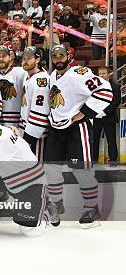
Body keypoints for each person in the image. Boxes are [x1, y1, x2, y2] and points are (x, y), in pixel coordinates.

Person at [44, 45, 113, 229]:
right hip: (56, 128)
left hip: (76, 129)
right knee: (51, 169)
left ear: (69, 55)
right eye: (54, 56)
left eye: (61, 55)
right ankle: (56, 205)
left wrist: (85, 112)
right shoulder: (53, 76)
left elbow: (105, 91)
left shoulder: (78, 73)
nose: (58, 59)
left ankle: (92, 208)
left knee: (81, 170)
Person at [0, 105, 56, 237]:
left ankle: (46, 212)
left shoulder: (0, 134)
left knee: (29, 231)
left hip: (31, 184)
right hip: (11, 181)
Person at [19, 46, 50, 161]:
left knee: (36, 166)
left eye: (28, 58)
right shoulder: (30, 77)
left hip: (36, 134)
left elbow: (41, 111)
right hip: (27, 129)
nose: (25, 61)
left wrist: (30, 136)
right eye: (23, 58)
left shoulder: (40, 81)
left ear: (37, 60)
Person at [0, 45, 27, 127]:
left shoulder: (21, 72)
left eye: (4, 56)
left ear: (10, 57)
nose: (1, 59)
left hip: (16, 120)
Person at [92, 66, 121, 165]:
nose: (101, 75)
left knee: (111, 140)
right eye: (100, 73)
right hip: (96, 117)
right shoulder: (94, 87)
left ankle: (113, 160)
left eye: (104, 73)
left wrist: (105, 112)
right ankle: (93, 161)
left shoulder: (115, 87)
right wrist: (95, 112)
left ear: (109, 74)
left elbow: (116, 102)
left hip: (109, 117)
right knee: (94, 140)